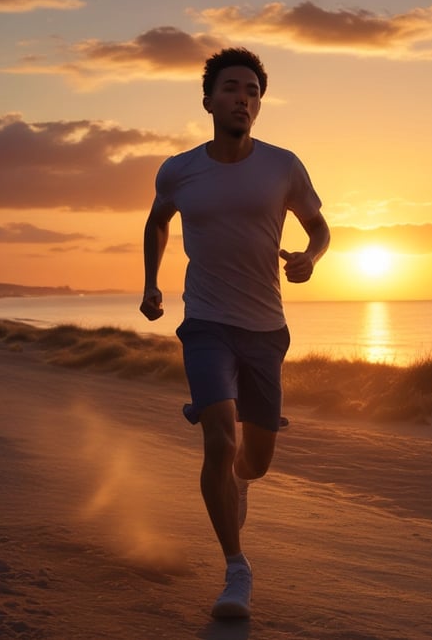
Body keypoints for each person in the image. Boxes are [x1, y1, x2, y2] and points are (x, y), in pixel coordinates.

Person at [141, 47, 330, 619]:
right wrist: (151, 284)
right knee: (220, 440)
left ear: (259, 105)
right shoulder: (179, 169)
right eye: (230, 88)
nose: (242, 97)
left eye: (251, 90)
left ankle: (241, 483)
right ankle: (236, 570)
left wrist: (311, 257)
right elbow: (156, 221)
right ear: (208, 102)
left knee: (256, 461)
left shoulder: (283, 166)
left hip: (266, 329)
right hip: (204, 323)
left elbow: (318, 226)